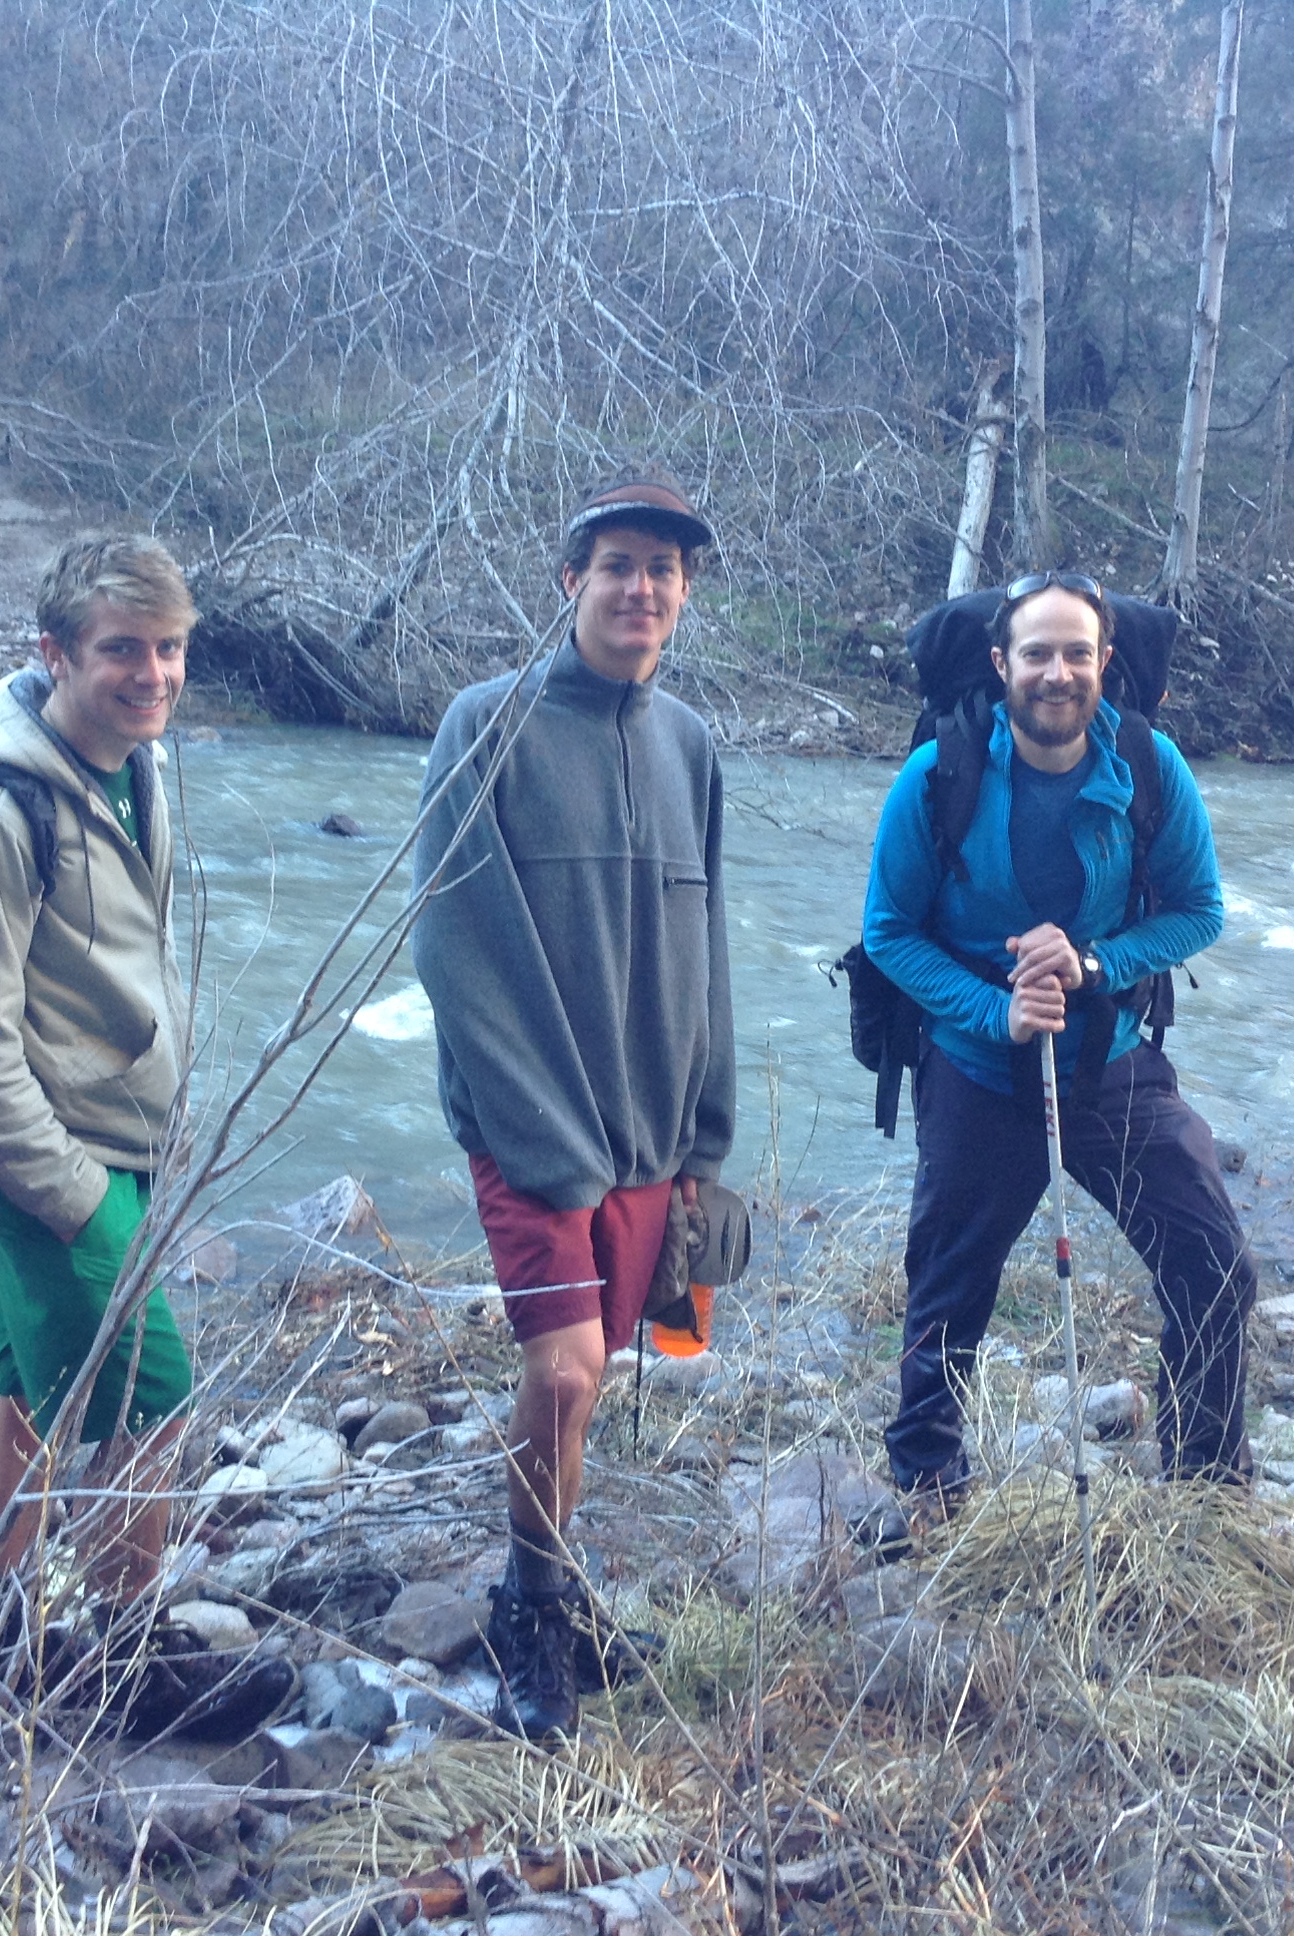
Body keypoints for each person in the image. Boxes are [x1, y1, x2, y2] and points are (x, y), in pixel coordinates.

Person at [0, 535, 291, 1743]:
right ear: (55, 651)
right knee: (150, 1388)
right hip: (44, 1158)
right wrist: (72, 1192)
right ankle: (124, 1657)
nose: (155, 672)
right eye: (123, 648)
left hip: (111, 1136)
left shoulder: (133, 763)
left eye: (171, 648)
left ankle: (1, 1633)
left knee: (22, 1391)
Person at [411, 468, 735, 1743]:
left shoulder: (690, 742)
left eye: (664, 570)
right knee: (564, 1370)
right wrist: (548, 1137)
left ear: (682, 594)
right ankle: (529, 1609)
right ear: (570, 583)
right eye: (618, 566)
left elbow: (707, 945)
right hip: (532, 1128)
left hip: (655, 1132)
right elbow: (455, 941)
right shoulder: (484, 722)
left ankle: (552, 1582)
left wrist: (704, 1138)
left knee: (594, 1385)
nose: (641, 589)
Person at [863, 571, 1253, 1499]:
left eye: (1078, 652)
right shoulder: (941, 775)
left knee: (1213, 1265)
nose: (1057, 672)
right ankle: (928, 1488)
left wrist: (1094, 964)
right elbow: (889, 932)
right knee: (946, 1293)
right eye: (1036, 653)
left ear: (1105, 663)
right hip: (975, 1069)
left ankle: (1208, 1490)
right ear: (1001, 664)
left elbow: (1199, 913)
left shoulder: (1150, 766)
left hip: (1110, 1063)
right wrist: (993, 1010)